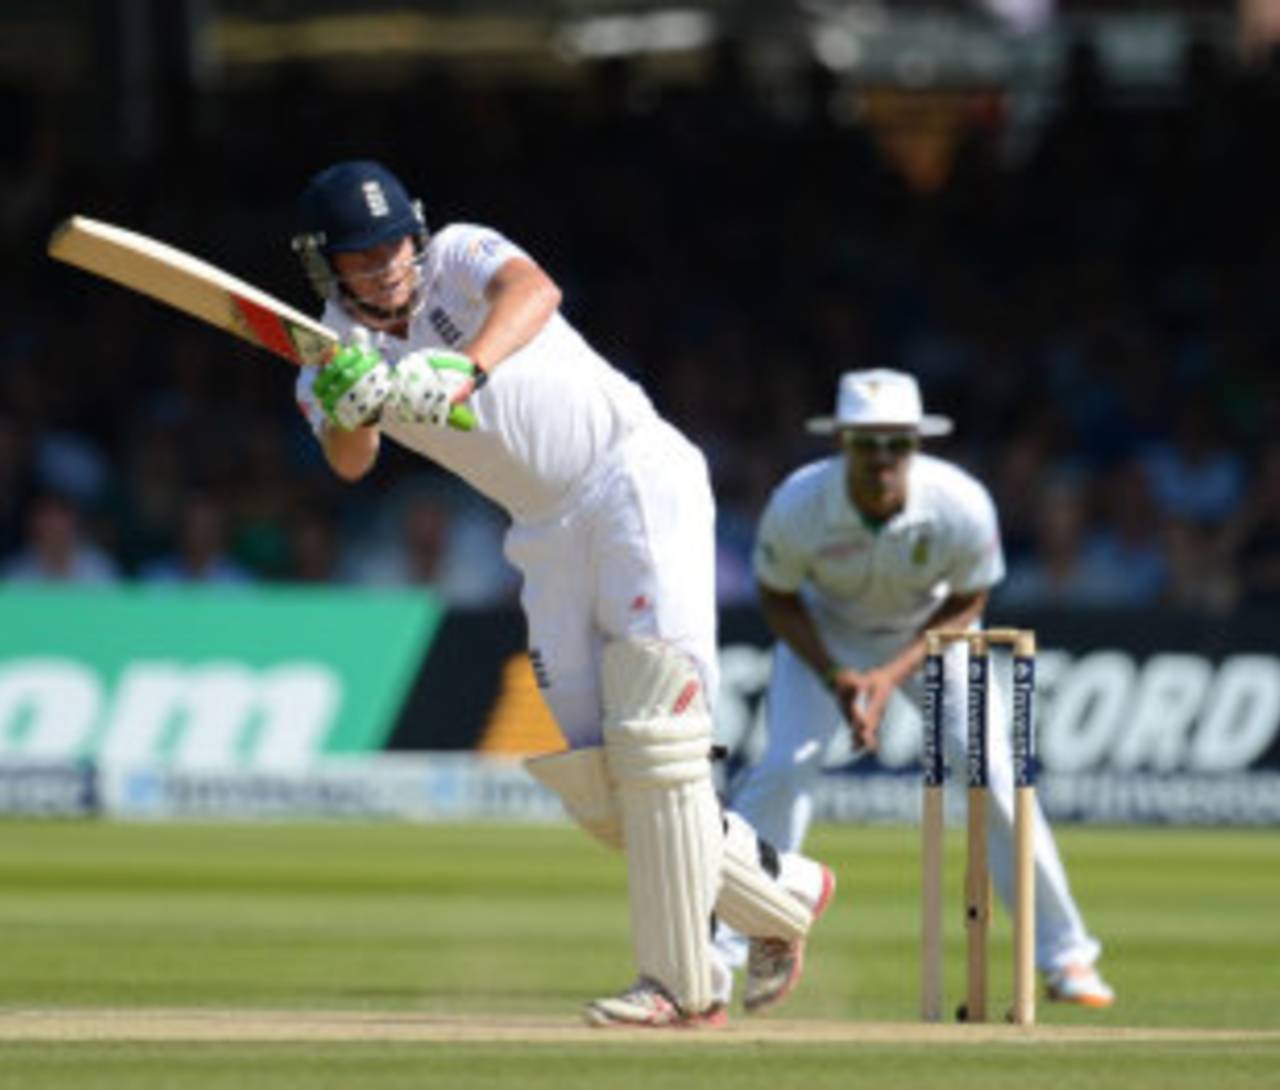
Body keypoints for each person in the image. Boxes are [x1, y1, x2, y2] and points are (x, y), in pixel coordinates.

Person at [288, 160, 834, 1027]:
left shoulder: (459, 254)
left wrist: (462, 368)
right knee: (602, 785)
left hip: (630, 477)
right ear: (327, 266)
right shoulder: (327, 350)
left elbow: (533, 291)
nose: (389, 263)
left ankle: (682, 987)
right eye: (363, 253)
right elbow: (349, 463)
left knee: (656, 730)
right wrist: (351, 406)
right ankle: (786, 891)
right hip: (541, 531)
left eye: (394, 240)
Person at [715, 369, 1114, 1008]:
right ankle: (725, 951)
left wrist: (888, 674)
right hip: (824, 634)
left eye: (895, 443)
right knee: (782, 771)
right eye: (866, 443)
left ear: (916, 444)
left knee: (995, 777)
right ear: (842, 441)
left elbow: (970, 596)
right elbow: (778, 596)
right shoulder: (799, 503)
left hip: (932, 636)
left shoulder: (958, 502)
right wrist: (837, 676)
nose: (881, 459)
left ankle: (1066, 957)